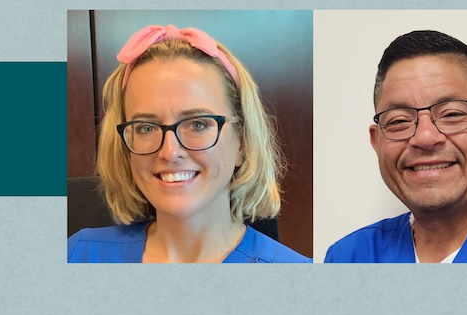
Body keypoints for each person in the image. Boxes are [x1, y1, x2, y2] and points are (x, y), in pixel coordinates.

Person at [67, 25, 311, 263]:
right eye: (146, 127)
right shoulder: (77, 255)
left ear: (242, 143)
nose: (170, 152)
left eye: (198, 124)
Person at [324, 30, 467, 263]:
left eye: (452, 114)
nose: (425, 137)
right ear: (377, 143)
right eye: (399, 121)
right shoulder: (349, 256)